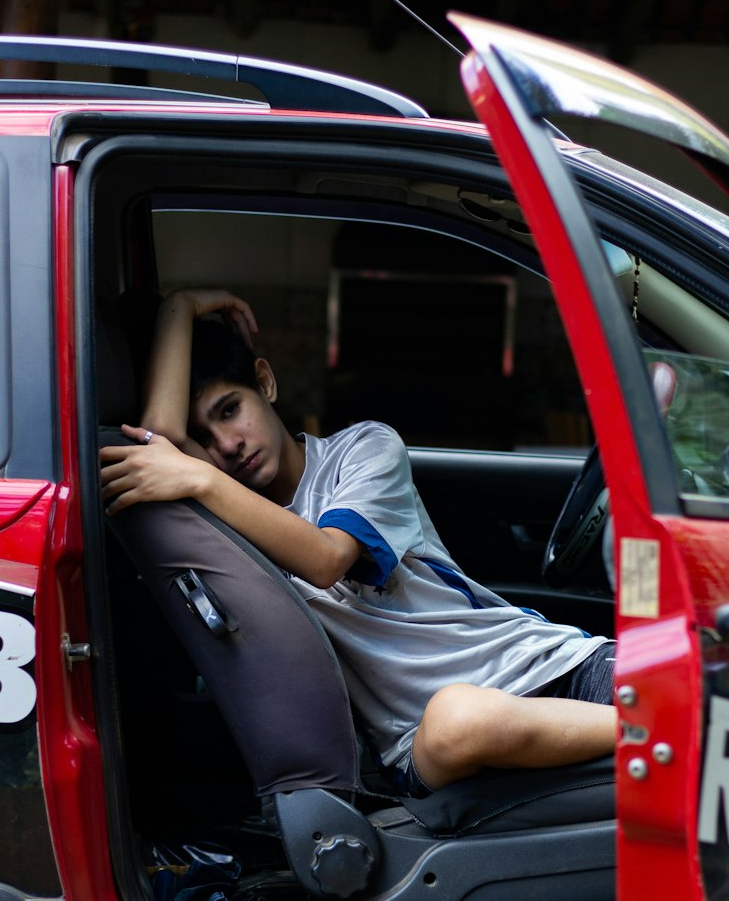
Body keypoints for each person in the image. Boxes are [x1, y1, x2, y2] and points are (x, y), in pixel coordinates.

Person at [100, 287, 616, 798]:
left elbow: (326, 557)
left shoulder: (364, 449)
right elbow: (155, 440)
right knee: (459, 719)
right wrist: (179, 308)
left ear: (265, 382)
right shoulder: (222, 520)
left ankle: (671, 731)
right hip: (425, 737)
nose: (227, 445)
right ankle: (660, 736)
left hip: (550, 666)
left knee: (681, 679)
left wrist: (201, 475)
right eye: (203, 439)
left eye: (231, 410)